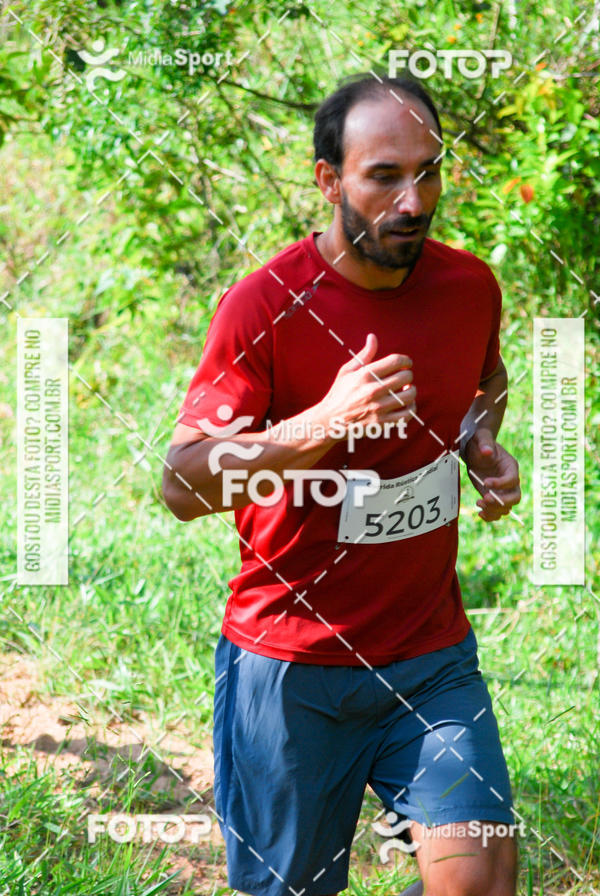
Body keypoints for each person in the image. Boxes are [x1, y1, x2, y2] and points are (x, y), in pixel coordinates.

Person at [162, 74, 522, 896]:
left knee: (482, 877)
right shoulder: (263, 307)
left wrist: (479, 441)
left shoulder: (470, 288)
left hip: (430, 658)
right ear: (329, 180)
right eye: (384, 176)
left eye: (428, 171)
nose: (414, 199)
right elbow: (182, 484)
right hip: (290, 666)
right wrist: (317, 425)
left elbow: (485, 380)